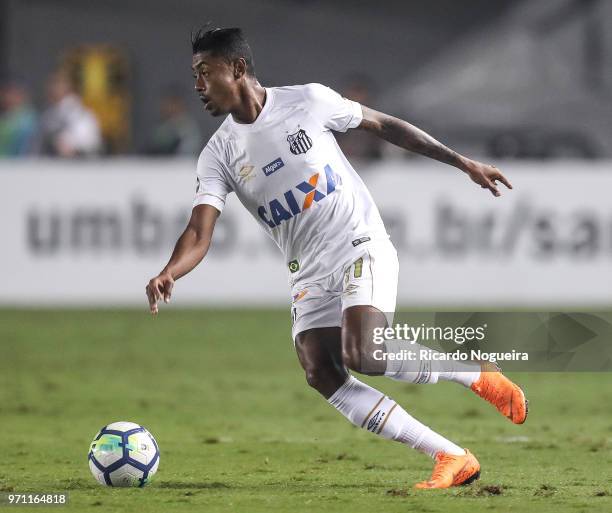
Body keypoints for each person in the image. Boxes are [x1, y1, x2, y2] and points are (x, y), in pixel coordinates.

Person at [146, 27, 526, 489]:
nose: (197, 87)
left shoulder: (307, 101)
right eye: (195, 76)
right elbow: (198, 230)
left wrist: (461, 161)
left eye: (205, 73)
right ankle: (450, 455)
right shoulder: (218, 155)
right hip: (308, 269)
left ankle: (476, 374)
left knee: (364, 351)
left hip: (359, 242)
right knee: (320, 369)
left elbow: (385, 125)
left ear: (238, 69)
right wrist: (171, 270)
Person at [34, 72, 102, 157]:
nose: (54, 89)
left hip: (79, 163)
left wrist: (71, 146)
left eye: (59, 85)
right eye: (53, 85)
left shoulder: (82, 114)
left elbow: (91, 143)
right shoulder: (48, 114)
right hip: (50, 164)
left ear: (69, 88)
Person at [145, 86, 202, 156]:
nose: (167, 107)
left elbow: (187, 153)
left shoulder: (188, 128)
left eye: (172, 103)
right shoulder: (162, 126)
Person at [0, 80, 37, 156]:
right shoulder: (6, 115)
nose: (6, 98)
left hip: (17, 162)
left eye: (12, 95)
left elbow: (26, 144)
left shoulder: (27, 117)